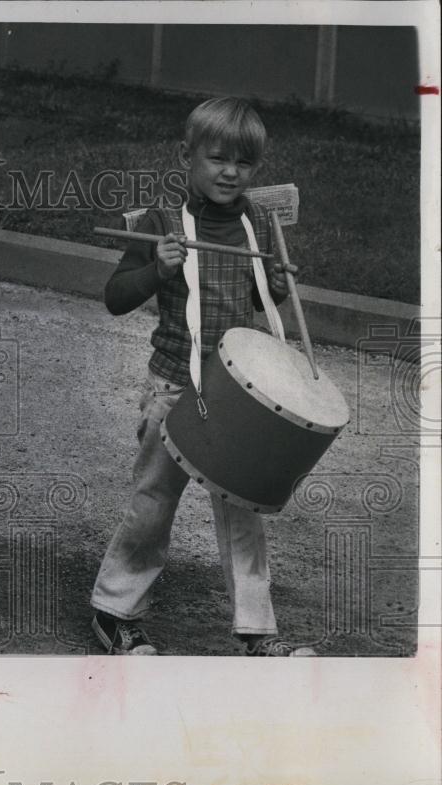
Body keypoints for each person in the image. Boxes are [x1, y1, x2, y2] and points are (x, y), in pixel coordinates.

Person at [90, 97, 314, 657]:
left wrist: (279, 284)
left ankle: (258, 631)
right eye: (217, 159)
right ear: (186, 156)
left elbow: (266, 299)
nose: (231, 172)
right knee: (154, 498)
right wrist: (154, 268)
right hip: (173, 385)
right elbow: (116, 298)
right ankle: (115, 611)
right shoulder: (162, 222)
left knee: (242, 505)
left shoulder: (258, 222)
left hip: (239, 391)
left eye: (244, 163)